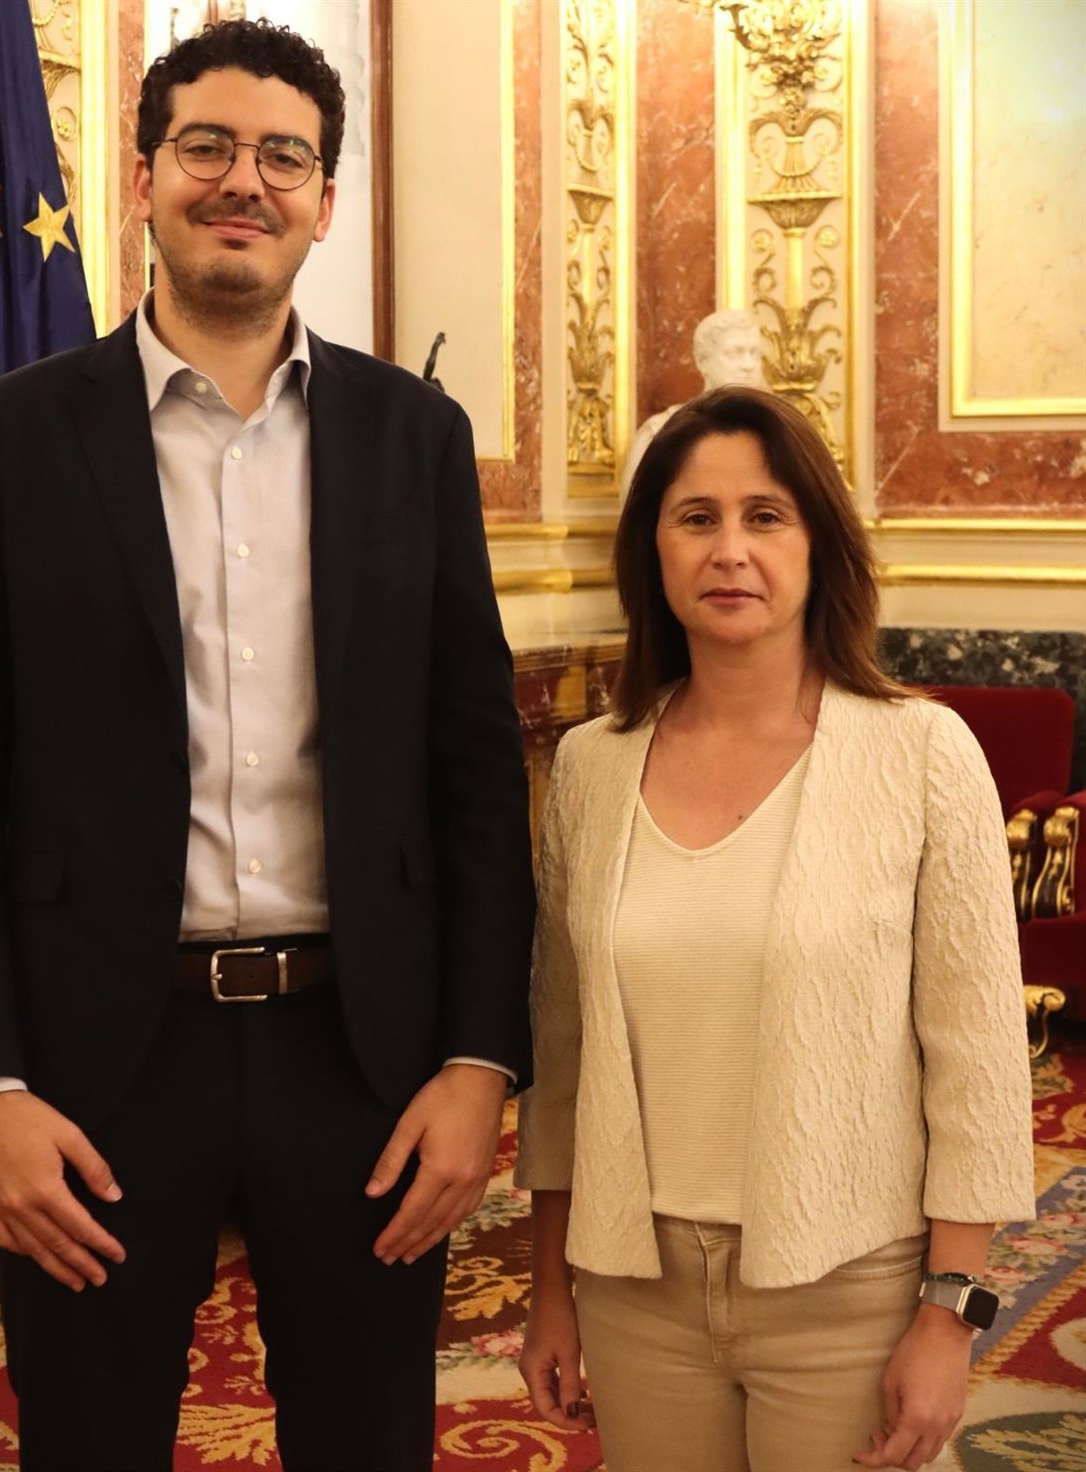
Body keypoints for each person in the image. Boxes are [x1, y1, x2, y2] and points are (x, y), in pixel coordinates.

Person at [0, 19, 534, 1472]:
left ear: (323, 200)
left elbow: (473, 776)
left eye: (283, 157)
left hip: (360, 1058)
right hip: (94, 1070)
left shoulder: (414, 438)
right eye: (207, 147)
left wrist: (477, 1061)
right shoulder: (10, 438)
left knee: (369, 1444)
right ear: (142, 178)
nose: (244, 181)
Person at [515, 386, 1034, 1472]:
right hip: (635, 1287)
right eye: (696, 517)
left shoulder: (921, 755)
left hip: (850, 1285)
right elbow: (563, 1064)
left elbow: (977, 1062)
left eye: (765, 515)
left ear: (818, 543)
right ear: (653, 548)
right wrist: (550, 1287)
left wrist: (950, 1313)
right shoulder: (592, 769)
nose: (730, 550)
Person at [621, 308, 765, 496]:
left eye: (755, 354)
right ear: (702, 362)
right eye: (734, 353)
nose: (749, 365)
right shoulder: (660, 433)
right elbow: (634, 508)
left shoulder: (778, 432)